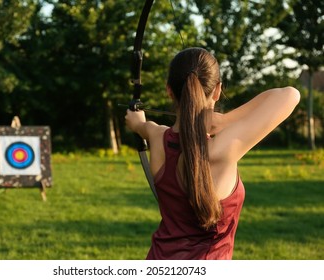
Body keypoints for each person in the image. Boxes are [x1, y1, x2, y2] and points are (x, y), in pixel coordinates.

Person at [125, 47, 300, 260]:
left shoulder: (157, 136)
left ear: (169, 91)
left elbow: (141, 124)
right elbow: (290, 95)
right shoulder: (221, 150)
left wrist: (136, 118)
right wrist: (225, 121)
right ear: (217, 91)